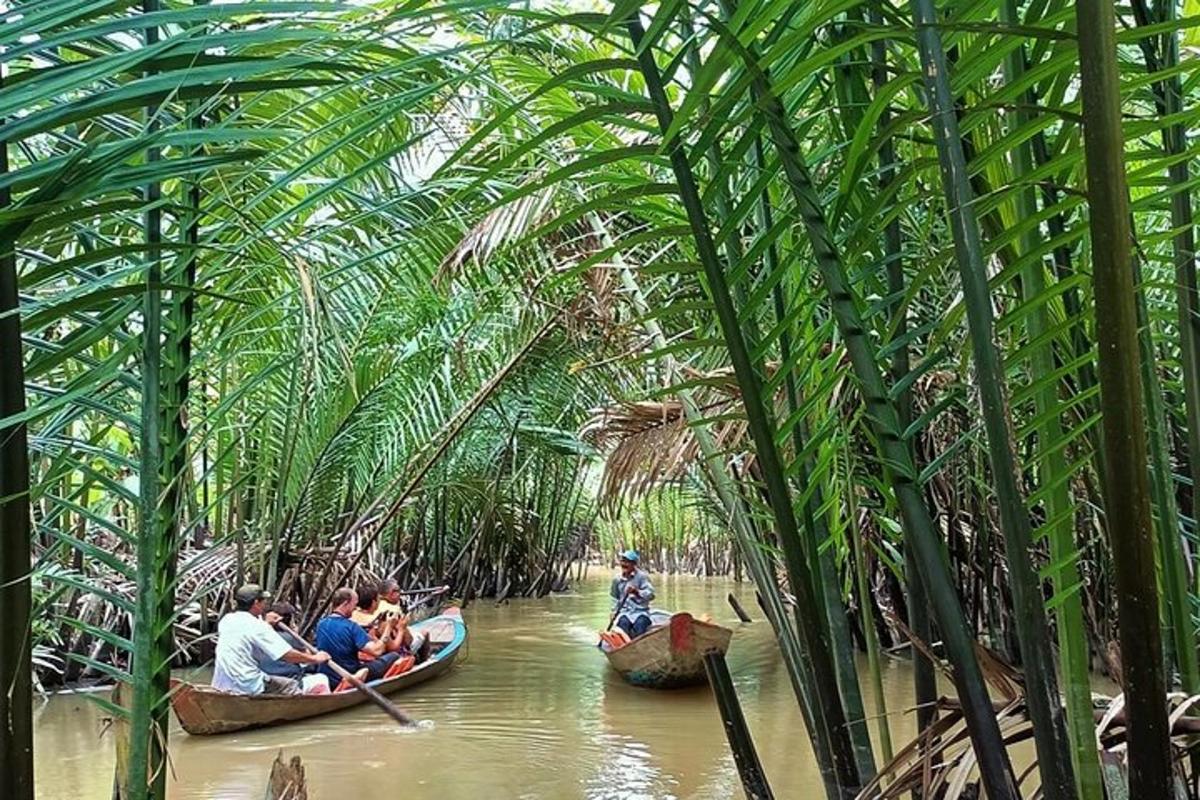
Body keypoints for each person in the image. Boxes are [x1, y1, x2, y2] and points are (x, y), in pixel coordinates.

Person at [212, 584, 330, 696]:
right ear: (256, 603)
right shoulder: (258, 626)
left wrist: (265, 623)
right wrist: (315, 659)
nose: (265, 605)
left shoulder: (227, 620)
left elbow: (248, 632)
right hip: (248, 684)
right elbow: (286, 655)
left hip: (222, 684)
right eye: (263, 601)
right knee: (290, 685)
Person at [315, 587, 400, 686]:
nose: (355, 608)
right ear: (345, 603)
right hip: (350, 675)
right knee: (394, 656)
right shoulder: (351, 627)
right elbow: (377, 651)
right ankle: (361, 675)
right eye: (354, 605)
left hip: (329, 678)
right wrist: (389, 627)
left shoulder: (321, 624)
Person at [610, 550, 655, 639]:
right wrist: (613, 612)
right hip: (624, 612)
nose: (624, 564)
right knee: (623, 623)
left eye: (627, 562)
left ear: (634, 564)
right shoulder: (617, 579)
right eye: (623, 561)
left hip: (640, 612)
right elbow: (615, 598)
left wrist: (637, 592)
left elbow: (651, 595)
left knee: (641, 624)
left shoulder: (642, 577)